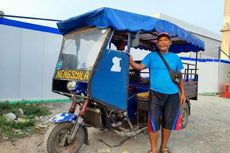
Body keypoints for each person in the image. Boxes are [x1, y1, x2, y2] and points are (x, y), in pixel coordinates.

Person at [129, 32, 186, 153]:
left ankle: (163, 147)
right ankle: (154, 149)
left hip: (172, 95)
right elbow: (140, 67)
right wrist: (132, 62)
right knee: (153, 122)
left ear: (170, 43)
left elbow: (180, 77)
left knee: (168, 122)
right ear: (157, 43)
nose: (163, 42)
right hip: (155, 94)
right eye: (161, 40)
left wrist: (183, 94)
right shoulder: (152, 56)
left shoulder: (175, 58)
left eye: (166, 40)